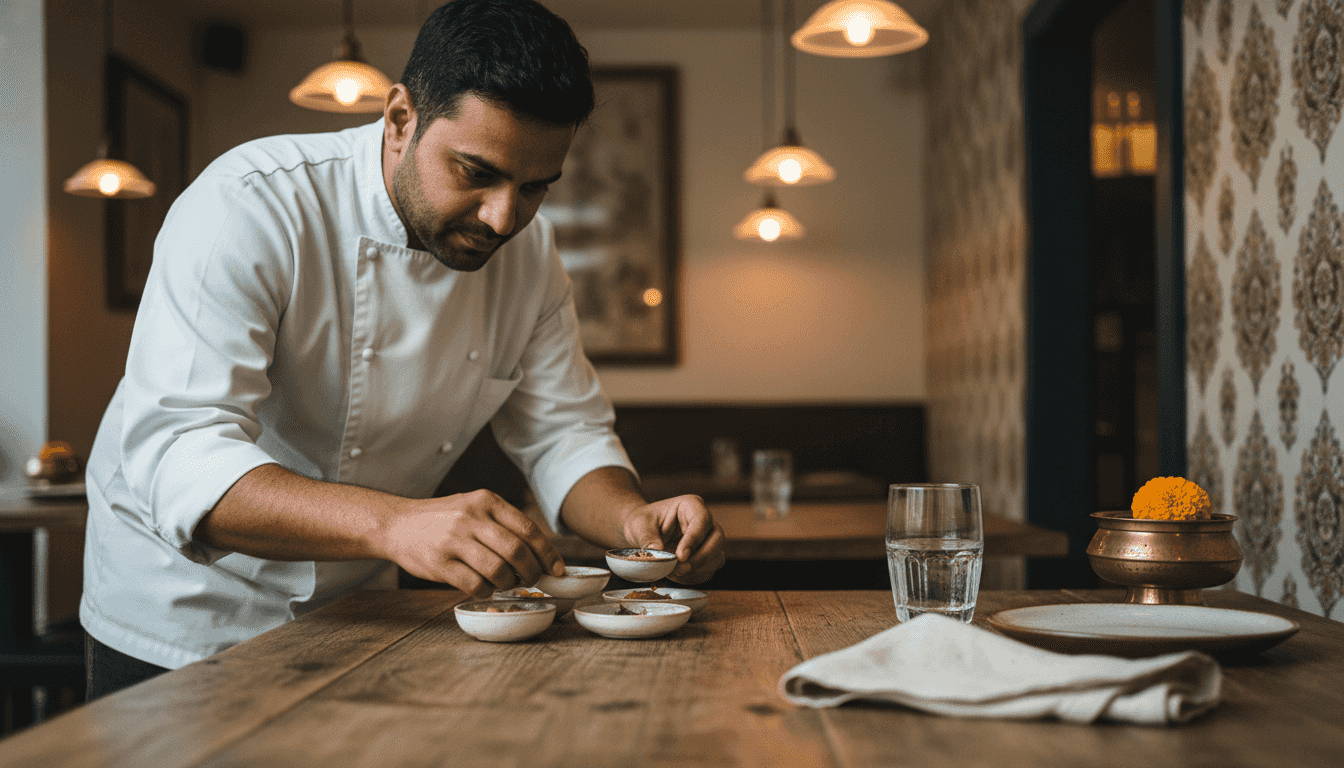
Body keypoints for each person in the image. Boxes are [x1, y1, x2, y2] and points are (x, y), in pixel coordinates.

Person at [79, 0, 725, 700]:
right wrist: (396, 523)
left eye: (534, 186)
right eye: (476, 172)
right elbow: (180, 456)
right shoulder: (251, 205)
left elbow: (564, 435)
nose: (504, 217)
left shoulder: (529, 256)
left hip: (357, 617)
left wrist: (632, 521)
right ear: (399, 119)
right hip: (183, 615)